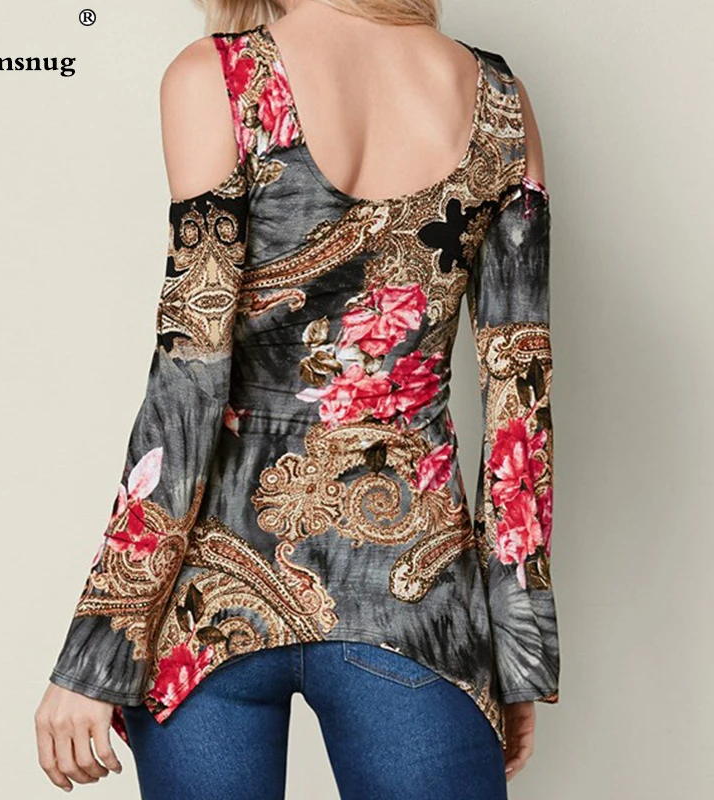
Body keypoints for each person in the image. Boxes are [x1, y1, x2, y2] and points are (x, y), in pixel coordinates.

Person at [34, 1, 560, 797]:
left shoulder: (220, 78)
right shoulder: (497, 99)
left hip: (208, 600)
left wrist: (99, 647)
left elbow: (190, 379)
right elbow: (520, 390)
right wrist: (519, 650)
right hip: (414, 597)